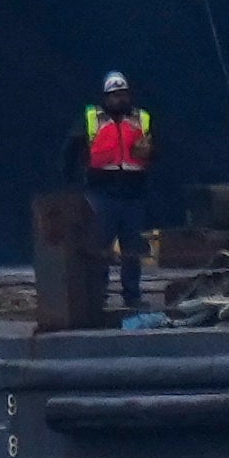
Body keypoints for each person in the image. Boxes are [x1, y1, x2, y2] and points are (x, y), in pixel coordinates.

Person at [74, 74, 158, 316]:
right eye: (114, 95)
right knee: (100, 248)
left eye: (123, 94)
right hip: (102, 193)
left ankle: (132, 296)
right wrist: (71, 177)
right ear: (106, 97)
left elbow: (155, 150)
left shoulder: (141, 119)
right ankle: (97, 296)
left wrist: (150, 152)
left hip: (133, 194)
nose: (119, 99)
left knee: (132, 249)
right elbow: (74, 146)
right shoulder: (92, 119)